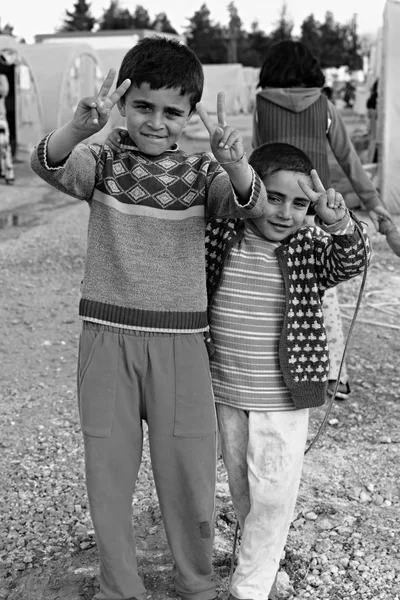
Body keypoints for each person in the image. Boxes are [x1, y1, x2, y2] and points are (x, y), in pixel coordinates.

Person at [30, 36, 268, 600]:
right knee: (108, 474)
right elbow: (50, 164)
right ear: (122, 102)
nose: (156, 121)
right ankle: (121, 587)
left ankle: (196, 581)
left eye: (172, 111)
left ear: (191, 116)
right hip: (107, 341)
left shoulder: (200, 173)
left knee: (188, 471)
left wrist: (235, 164)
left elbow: (250, 205)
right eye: (143, 106)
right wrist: (76, 129)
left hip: (182, 346)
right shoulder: (102, 160)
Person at [205, 142, 371, 600]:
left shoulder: (310, 246)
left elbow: (354, 259)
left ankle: (250, 587)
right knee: (242, 486)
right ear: (252, 191)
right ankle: (262, 561)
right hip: (225, 385)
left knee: (275, 493)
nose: (285, 213)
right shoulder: (223, 233)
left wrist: (337, 221)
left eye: (300, 203)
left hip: (284, 393)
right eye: (274, 197)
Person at [252, 39, 392, 400]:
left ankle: (274, 366)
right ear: (312, 71)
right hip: (314, 208)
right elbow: (347, 157)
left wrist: (248, 205)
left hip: (271, 208)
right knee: (320, 292)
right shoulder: (324, 105)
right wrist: (372, 202)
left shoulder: (261, 105)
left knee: (274, 286)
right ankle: (335, 374)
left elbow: (258, 157)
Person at [0, 73, 14, 184]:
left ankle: (9, 174)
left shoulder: (2, 78)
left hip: (0, 118)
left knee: (4, 146)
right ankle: (2, 171)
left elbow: (4, 91)